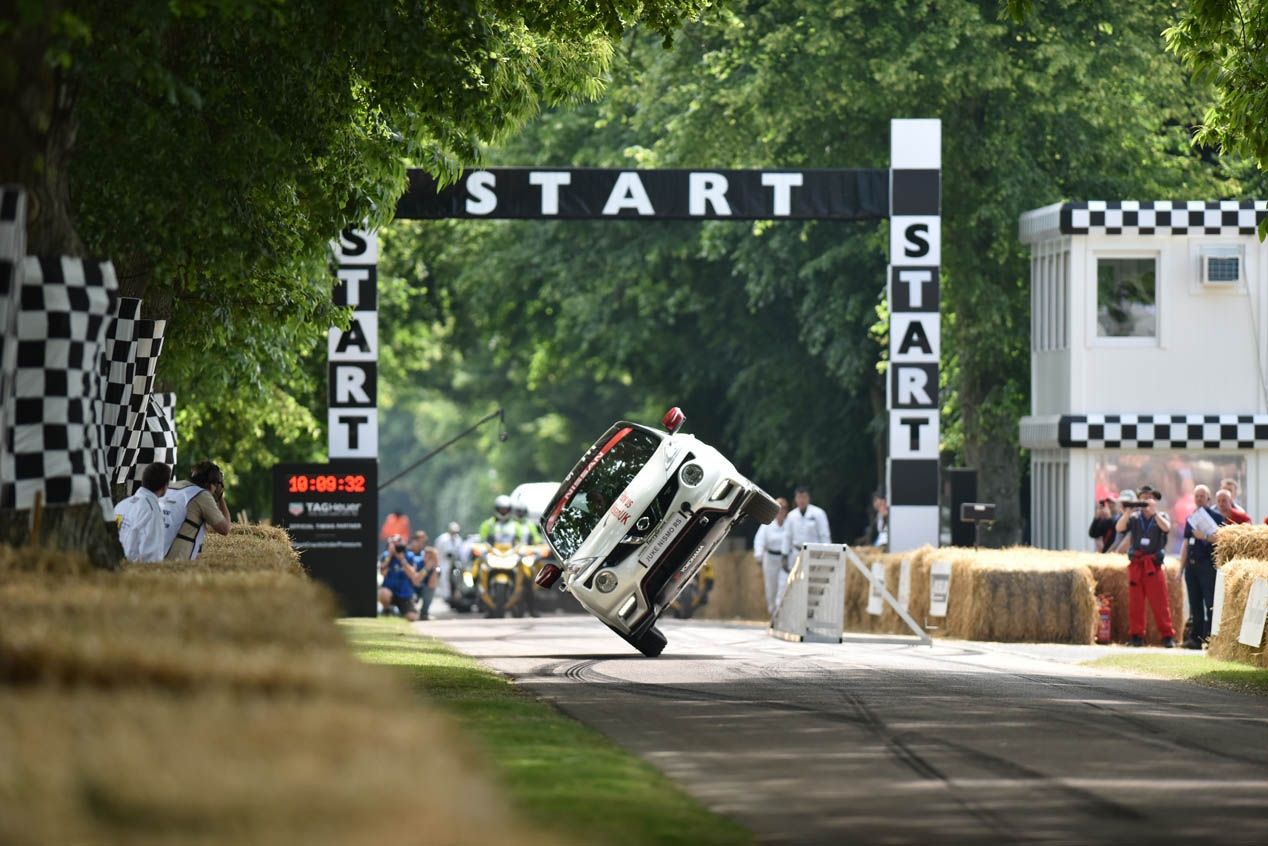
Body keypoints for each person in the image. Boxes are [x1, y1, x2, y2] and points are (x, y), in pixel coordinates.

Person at [1114, 485, 1175, 647]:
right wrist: (1128, 511)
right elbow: (1119, 528)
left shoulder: (1161, 516)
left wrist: (1154, 513)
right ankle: (1136, 635)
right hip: (1137, 565)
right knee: (1135, 602)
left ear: (1154, 500)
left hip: (1153, 565)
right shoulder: (1134, 517)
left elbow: (1166, 528)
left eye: (1150, 497)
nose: (1146, 500)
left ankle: (1167, 635)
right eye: (1143, 497)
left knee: (1160, 603)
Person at [1179, 485, 1225, 649]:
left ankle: (1212, 640)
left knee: (1210, 601)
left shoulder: (1217, 517)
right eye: (1196, 496)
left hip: (1207, 565)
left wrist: (1204, 536)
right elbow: (1185, 544)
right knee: (1195, 603)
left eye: (1202, 496)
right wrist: (1180, 568)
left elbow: (1221, 540)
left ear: (1208, 498)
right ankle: (1196, 639)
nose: (1199, 499)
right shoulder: (1191, 518)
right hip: (1192, 567)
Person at [161, 460, 231, 560]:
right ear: (212, 485)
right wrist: (220, 497)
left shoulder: (172, 486)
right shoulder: (202, 495)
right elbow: (225, 529)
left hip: (151, 555)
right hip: (174, 562)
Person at [113, 462, 171, 562]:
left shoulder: (121, 505)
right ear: (164, 486)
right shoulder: (152, 510)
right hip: (134, 573)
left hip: (114, 567)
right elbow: (153, 557)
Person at [753, 497, 791, 615]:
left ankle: (781, 615)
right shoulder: (767, 525)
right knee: (771, 588)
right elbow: (759, 540)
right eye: (779, 508)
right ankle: (773, 611)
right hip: (770, 559)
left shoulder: (790, 524)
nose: (781, 511)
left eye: (783, 508)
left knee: (784, 586)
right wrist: (758, 555)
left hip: (785, 559)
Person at [782, 485, 832, 562]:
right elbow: (787, 536)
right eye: (799, 497)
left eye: (804, 497)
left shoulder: (819, 513)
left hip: (815, 553)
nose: (801, 500)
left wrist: (827, 553)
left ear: (809, 498)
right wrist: (784, 554)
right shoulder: (791, 516)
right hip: (796, 553)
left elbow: (824, 535)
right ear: (795, 499)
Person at [378, 539, 419, 620]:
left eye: (398, 543)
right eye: (394, 544)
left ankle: (397, 612)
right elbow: (383, 572)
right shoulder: (386, 555)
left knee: (412, 617)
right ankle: (387, 609)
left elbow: (412, 574)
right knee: (383, 593)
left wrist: (401, 559)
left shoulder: (409, 555)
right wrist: (390, 555)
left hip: (405, 593)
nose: (397, 546)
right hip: (390, 591)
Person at [406, 532, 439, 620]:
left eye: (423, 541)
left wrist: (434, 565)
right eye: (418, 541)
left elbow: (432, 584)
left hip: (421, 588)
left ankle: (424, 613)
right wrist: (427, 568)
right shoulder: (409, 555)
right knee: (410, 615)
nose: (421, 544)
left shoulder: (425, 555)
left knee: (430, 588)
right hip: (409, 588)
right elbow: (416, 580)